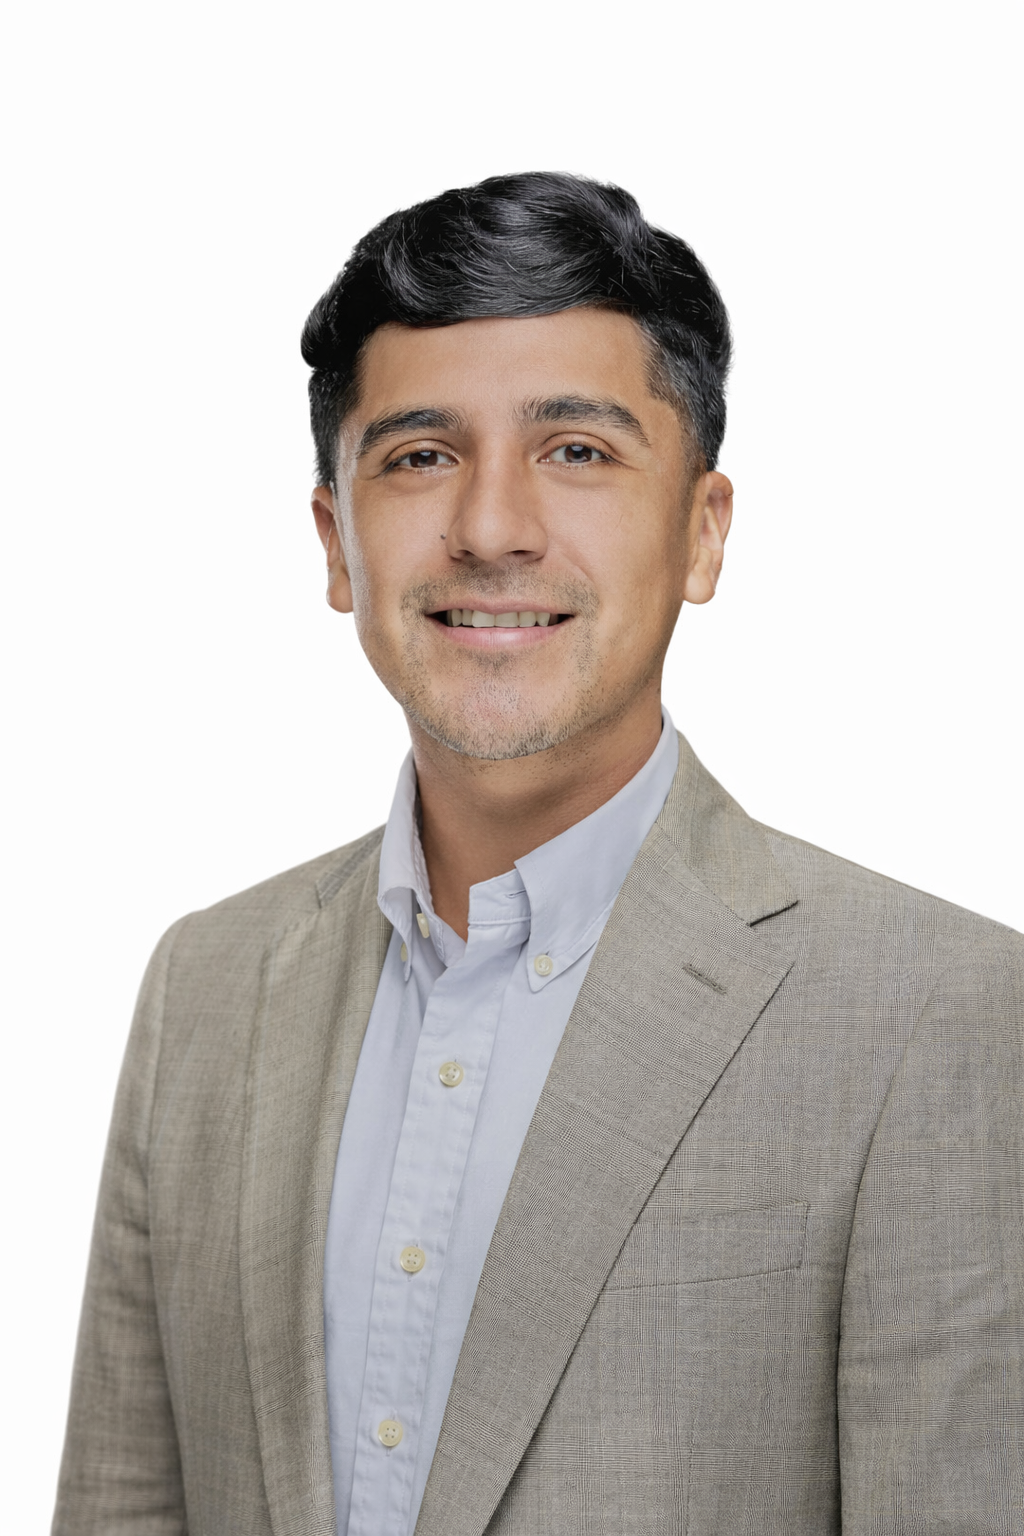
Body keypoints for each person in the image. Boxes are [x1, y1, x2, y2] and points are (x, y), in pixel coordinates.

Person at [53, 172, 1023, 1536]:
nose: (492, 526)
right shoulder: (205, 990)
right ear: (336, 543)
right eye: (418, 456)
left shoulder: (934, 1014)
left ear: (702, 530)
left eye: (576, 451)